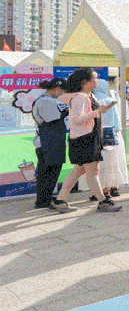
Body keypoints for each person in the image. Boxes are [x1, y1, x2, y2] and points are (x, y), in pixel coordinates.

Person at [53, 68, 121, 213]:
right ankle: (103, 201)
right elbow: (76, 119)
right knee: (93, 171)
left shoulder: (89, 96)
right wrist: (98, 112)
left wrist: (99, 112)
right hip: (85, 140)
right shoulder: (80, 98)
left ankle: (60, 200)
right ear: (85, 82)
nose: (98, 80)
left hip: (87, 138)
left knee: (78, 171)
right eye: (95, 78)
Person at [32, 78, 68, 211]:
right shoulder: (46, 101)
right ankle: (43, 200)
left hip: (51, 140)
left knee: (50, 170)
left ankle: (45, 198)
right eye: (63, 91)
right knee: (48, 171)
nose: (63, 93)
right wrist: (67, 112)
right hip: (48, 142)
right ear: (57, 89)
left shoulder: (46, 100)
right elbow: (52, 120)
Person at [95, 70, 127, 199]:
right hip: (113, 134)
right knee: (114, 161)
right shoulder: (110, 99)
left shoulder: (93, 100)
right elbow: (117, 120)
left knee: (102, 164)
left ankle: (104, 191)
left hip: (98, 135)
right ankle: (115, 188)